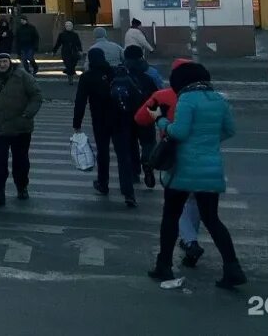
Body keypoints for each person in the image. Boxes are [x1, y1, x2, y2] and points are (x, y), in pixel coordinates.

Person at [146, 61, 247, 288]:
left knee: (171, 217)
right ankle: (232, 267)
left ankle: (164, 265)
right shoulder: (219, 99)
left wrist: (159, 119)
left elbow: (179, 132)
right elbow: (230, 130)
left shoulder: (187, 99)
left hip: (183, 169)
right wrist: (208, 143)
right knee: (212, 219)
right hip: (211, 168)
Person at [135, 58, 206, 269]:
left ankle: (189, 242)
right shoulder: (207, 97)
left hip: (173, 154)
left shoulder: (163, 96)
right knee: (195, 201)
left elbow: (140, 118)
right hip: (205, 155)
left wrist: (161, 120)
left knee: (176, 204)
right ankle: (190, 239)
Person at [74, 48, 139, 207]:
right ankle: (128, 192)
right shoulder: (115, 72)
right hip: (120, 120)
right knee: (123, 156)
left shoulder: (87, 77)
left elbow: (80, 101)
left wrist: (77, 124)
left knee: (103, 153)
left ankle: (103, 183)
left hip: (100, 121)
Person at [0, 47, 42, 206]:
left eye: (4, 61)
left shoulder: (22, 76)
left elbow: (37, 95)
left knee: (21, 161)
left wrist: (27, 114)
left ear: (9, 61)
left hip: (21, 127)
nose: (2, 64)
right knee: (0, 161)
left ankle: (22, 187)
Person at [122, 44, 164, 189]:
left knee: (130, 143)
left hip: (126, 114)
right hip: (147, 112)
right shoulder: (151, 72)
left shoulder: (122, 72)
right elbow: (160, 92)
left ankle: (134, 172)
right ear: (141, 56)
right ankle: (147, 164)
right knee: (148, 142)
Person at [53, 20, 84, 85]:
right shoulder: (62, 34)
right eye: (67, 26)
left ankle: (68, 71)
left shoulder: (75, 35)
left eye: (70, 25)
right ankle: (70, 80)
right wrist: (54, 51)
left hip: (74, 51)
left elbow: (78, 43)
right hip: (65, 52)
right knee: (68, 64)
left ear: (72, 26)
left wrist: (80, 50)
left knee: (72, 65)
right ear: (65, 26)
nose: (68, 27)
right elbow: (58, 43)